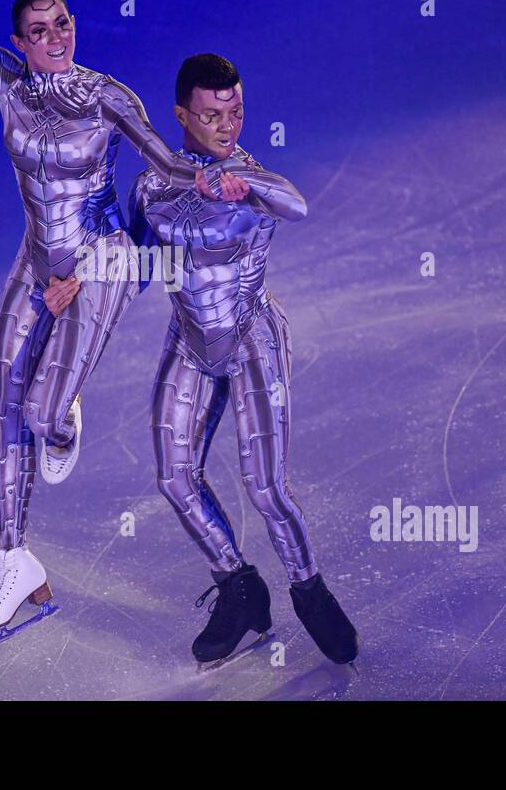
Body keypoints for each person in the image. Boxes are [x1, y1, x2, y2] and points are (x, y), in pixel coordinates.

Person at [0, 0, 206, 642]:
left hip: (101, 260)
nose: (56, 36)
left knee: (44, 413)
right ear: (21, 40)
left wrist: (217, 170)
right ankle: (15, 564)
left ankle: (64, 419)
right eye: (39, 29)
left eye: (64, 23)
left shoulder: (109, 96)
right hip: (37, 259)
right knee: (6, 395)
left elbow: (166, 165)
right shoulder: (9, 87)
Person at [130, 53, 359, 666]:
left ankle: (309, 591)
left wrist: (240, 178)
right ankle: (240, 587)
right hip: (189, 341)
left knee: (265, 487)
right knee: (174, 478)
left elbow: (299, 204)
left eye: (235, 113)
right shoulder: (154, 183)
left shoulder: (250, 180)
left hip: (252, 338)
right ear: (181, 115)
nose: (227, 127)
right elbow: (135, 265)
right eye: (211, 116)